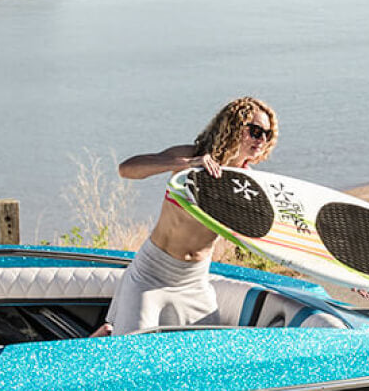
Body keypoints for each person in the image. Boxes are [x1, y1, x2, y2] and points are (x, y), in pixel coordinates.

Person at [95, 96, 278, 336]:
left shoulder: (248, 184)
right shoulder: (192, 155)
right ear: (234, 127)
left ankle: (108, 333)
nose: (262, 139)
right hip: (151, 275)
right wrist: (188, 164)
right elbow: (127, 169)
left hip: (195, 281)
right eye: (255, 131)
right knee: (131, 355)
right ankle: (104, 335)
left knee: (209, 360)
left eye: (267, 134)